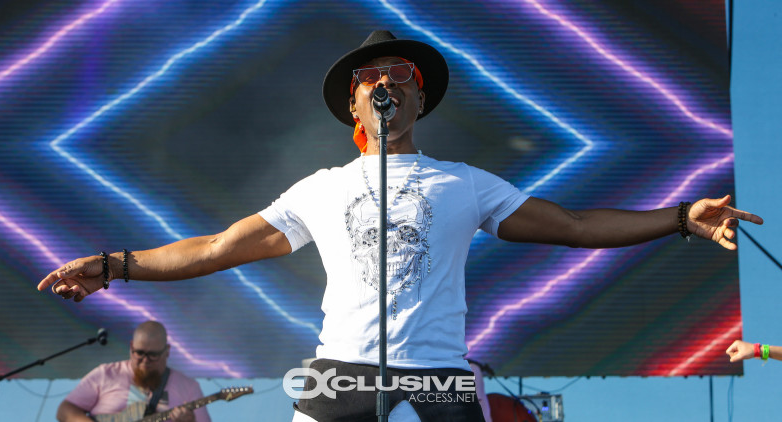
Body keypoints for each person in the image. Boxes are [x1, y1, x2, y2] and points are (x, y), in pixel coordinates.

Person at [38, 30, 763, 422]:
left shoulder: (464, 183)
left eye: (401, 75)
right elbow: (217, 248)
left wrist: (679, 218)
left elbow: (573, 224)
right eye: (370, 77)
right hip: (340, 374)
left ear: (420, 99)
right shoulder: (321, 189)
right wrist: (114, 264)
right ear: (354, 107)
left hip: (442, 378)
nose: (385, 81)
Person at [56, 321, 210, 422]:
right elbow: (65, 410)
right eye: (139, 353)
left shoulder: (189, 387)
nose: (145, 360)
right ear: (131, 347)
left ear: (167, 351)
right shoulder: (105, 374)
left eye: (153, 355)